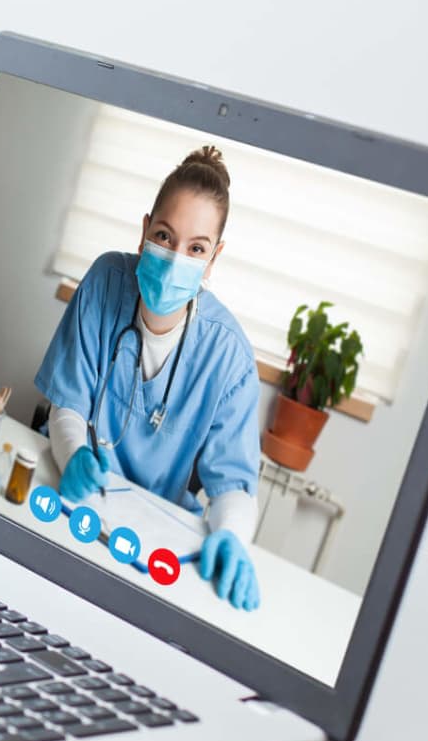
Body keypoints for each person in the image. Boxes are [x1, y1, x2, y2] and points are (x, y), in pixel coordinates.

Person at [33, 145, 263, 610]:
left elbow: (232, 486)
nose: (176, 258)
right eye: (164, 235)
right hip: (71, 500)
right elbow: (68, 406)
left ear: (213, 259)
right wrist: (74, 453)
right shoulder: (104, 282)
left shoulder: (229, 358)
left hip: (146, 539)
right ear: (144, 232)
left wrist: (234, 536)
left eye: (196, 248)